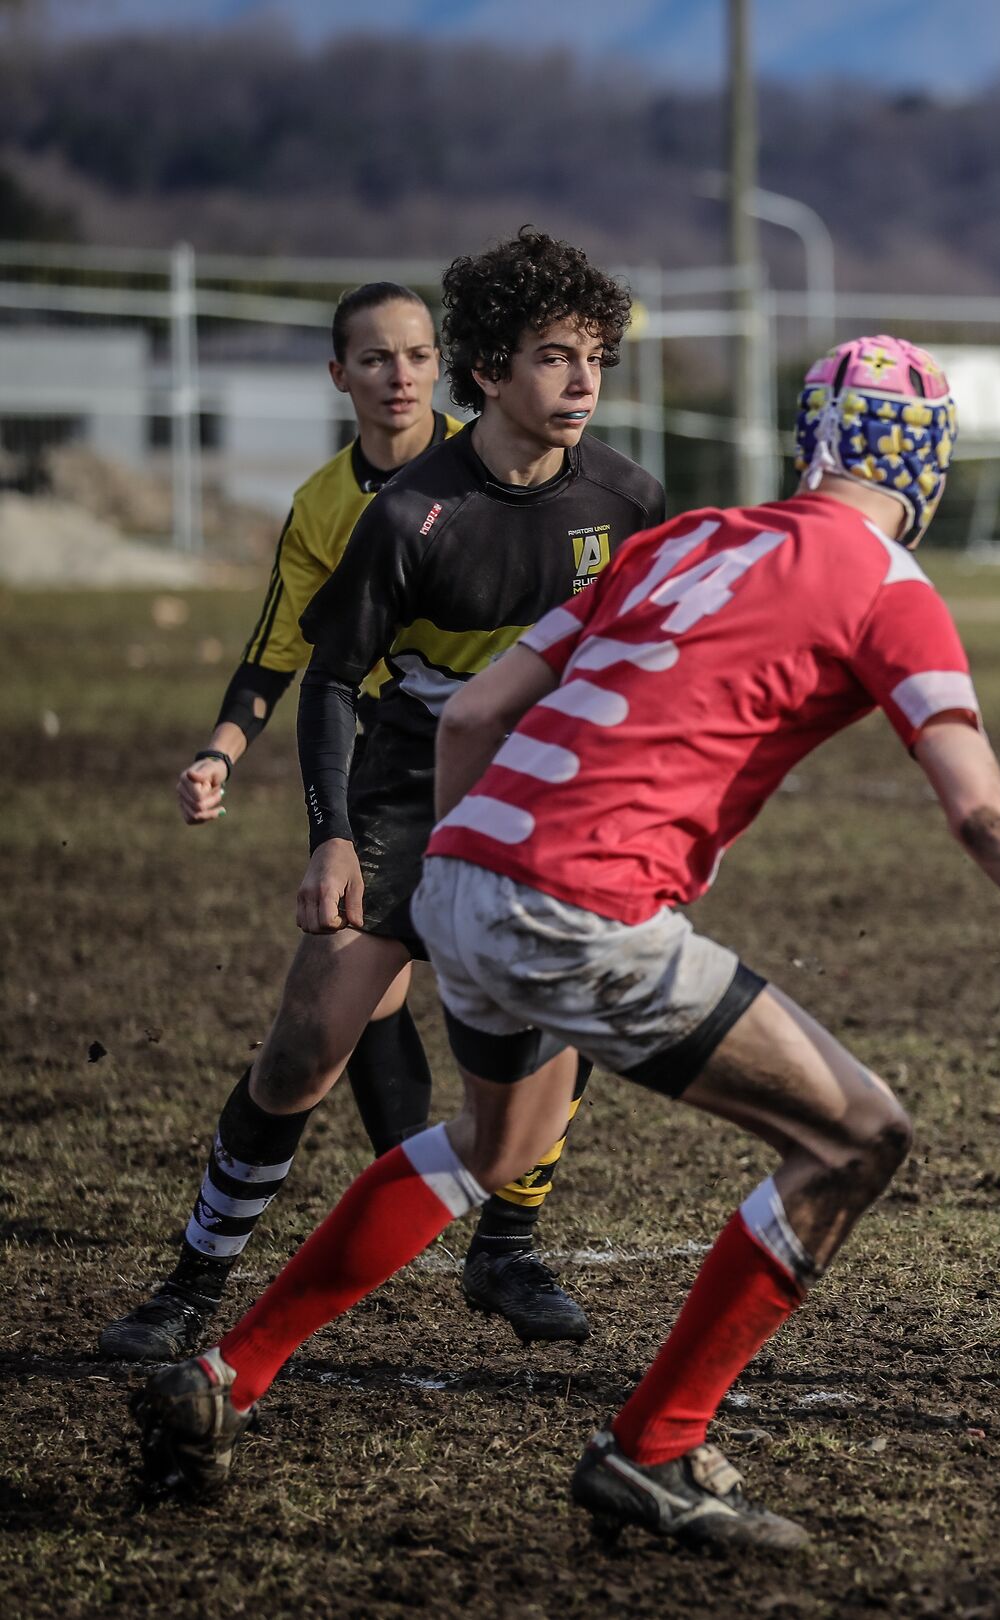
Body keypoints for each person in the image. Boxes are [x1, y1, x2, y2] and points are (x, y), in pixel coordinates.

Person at [131, 334, 1000, 1551]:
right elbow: (985, 811)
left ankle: (228, 1373)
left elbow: (477, 711)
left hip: (466, 869)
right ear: (928, 466)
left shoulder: (687, 538)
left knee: (498, 1142)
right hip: (578, 906)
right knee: (857, 1137)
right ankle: (655, 1449)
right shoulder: (890, 585)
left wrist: (462, 868)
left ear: (810, 444)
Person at [103, 233, 663, 1361]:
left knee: (565, 1009)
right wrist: (332, 839)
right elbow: (329, 683)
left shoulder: (628, 497)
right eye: (554, 357)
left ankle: (507, 1247)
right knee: (307, 1045)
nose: (583, 381)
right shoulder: (407, 515)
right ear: (489, 371)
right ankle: (192, 1285)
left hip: (547, 796)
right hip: (408, 788)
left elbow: (645, 666)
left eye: (595, 358)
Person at [171, 281, 458, 1163]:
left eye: (416, 355)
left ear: (440, 365)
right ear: (340, 374)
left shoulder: (486, 468)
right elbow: (275, 653)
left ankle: (491, 1186)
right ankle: (408, 1175)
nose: (399, 376)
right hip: (382, 761)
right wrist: (219, 753)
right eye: (375, 358)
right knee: (361, 981)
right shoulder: (322, 504)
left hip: (498, 753)